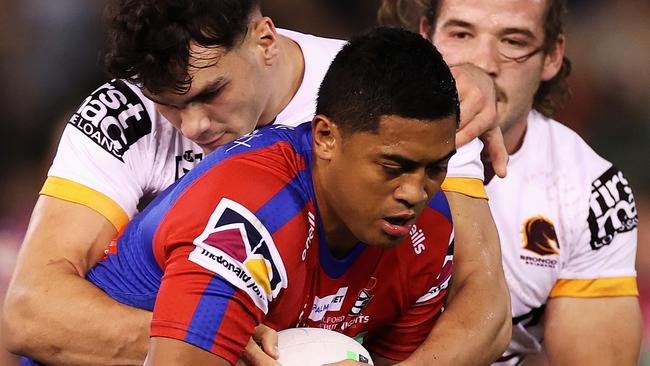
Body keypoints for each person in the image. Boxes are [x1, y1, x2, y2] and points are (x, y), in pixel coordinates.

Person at [3, 1, 510, 365]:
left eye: (211, 93)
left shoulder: (384, 99)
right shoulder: (124, 112)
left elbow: (481, 306)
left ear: (265, 40)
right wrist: (215, 333)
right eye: (170, 103)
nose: (193, 127)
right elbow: (31, 313)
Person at [90, 27, 456, 365]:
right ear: (326, 137)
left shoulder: (432, 229)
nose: (414, 193)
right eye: (392, 167)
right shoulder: (251, 213)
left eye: (435, 168)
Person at [378, 0, 642, 364]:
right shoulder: (342, 126)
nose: (482, 65)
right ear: (425, 37)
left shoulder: (592, 191)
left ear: (552, 56)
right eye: (461, 33)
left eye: (514, 42)